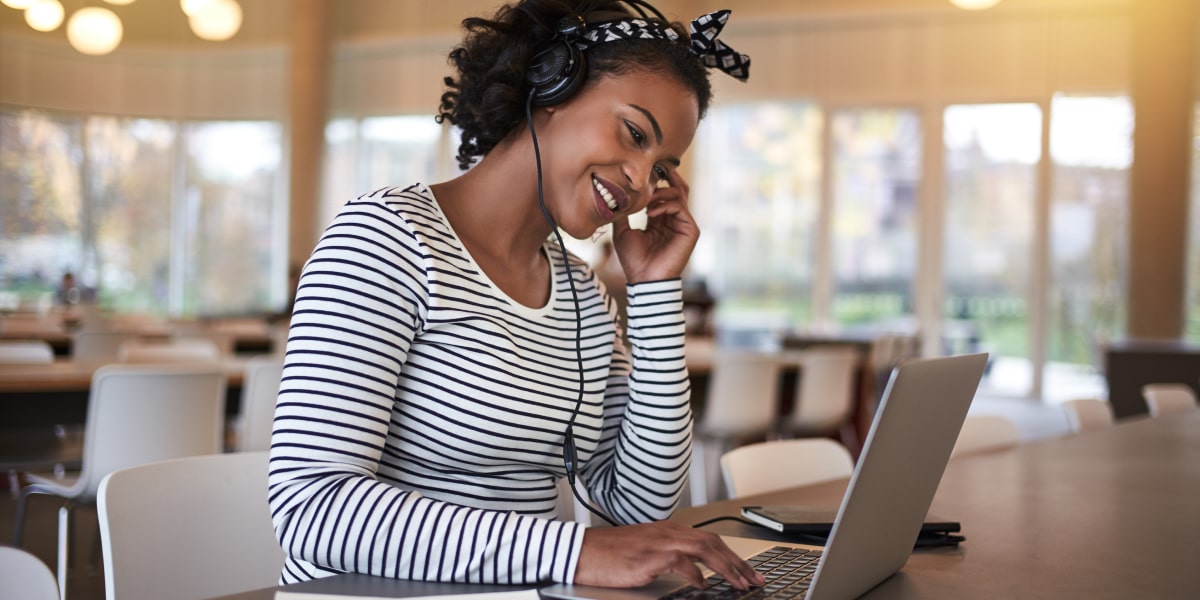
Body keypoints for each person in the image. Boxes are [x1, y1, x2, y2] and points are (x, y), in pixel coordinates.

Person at [268, 0, 758, 591]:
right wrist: (573, 553)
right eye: (633, 133)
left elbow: (638, 508)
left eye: (661, 167)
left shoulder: (583, 294)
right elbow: (311, 509)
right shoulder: (384, 239)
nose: (638, 180)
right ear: (551, 80)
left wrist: (654, 294)